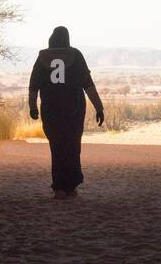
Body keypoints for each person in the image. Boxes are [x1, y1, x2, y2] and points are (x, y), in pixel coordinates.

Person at [28, 26, 104, 198]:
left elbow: (33, 86)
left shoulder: (41, 58)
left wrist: (32, 106)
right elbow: (89, 85)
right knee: (72, 147)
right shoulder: (76, 56)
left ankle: (59, 188)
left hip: (51, 111)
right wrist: (99, 107)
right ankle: (71, 186)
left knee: (56, 148)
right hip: (74, 111)